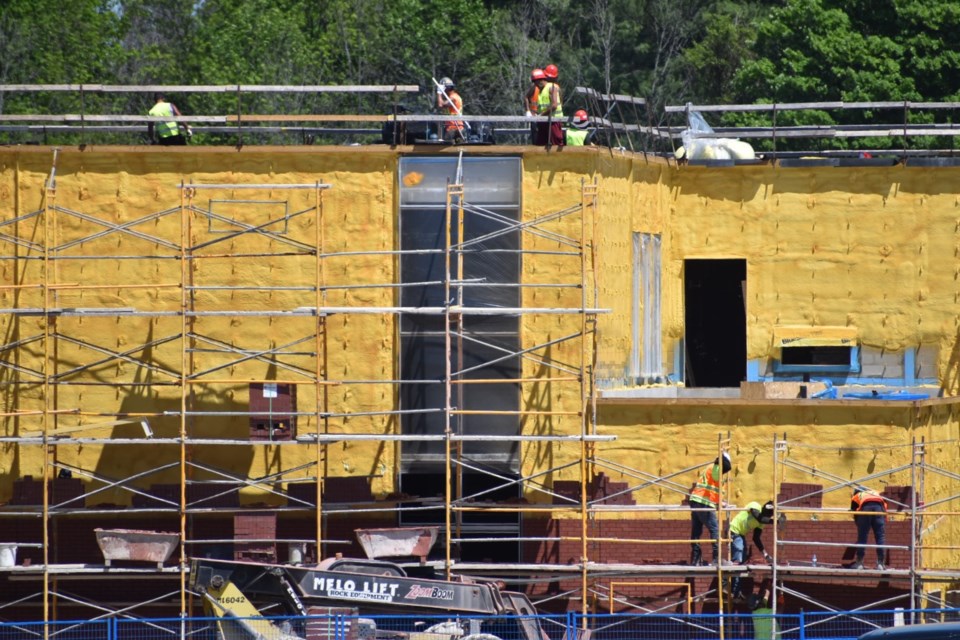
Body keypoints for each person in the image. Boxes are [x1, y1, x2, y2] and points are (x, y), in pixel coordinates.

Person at [688, 451, 732, 566]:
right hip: (704, 503)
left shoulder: (710, 467)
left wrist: (719, 502)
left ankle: (696, 559)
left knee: (696, 532)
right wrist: (720, 502)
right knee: (715, 530)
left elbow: (712, 489)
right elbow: (715, 484)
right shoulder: (716, 468)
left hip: (695, 501)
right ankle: (716, 559)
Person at [730, 500, 774, 600]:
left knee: (742, 563)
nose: (768, 517)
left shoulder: (762, 522)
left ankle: (736, 591)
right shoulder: (755, 506)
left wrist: (765, 554)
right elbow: (759, 517)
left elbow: (756, 538)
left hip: (740, 535)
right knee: (738, 561)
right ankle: (732, 591)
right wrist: (775, 521)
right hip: (733, 530)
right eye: (768, 514)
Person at [851, 486, 887, 570]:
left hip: (865, 508)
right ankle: (880, 564)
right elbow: (884, 508)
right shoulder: (876, 493)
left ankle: (859, 563)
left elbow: (854, 511)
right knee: (880, 537)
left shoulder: (857, 495)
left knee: (862, 537)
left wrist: (859, 525)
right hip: (879, 509)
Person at [534, 63, 564, 146]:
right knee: (542, 144)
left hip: (553, 120)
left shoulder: (551, 87)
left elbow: (554, 105)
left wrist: (541, 115)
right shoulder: (543, 89)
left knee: (556, 144)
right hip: (546, 120)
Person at [435, 77, 465, 142]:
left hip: (455, 127)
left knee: (448, 147)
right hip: (452, 127)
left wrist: (439, 92)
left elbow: (440, 105)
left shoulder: (453, 97)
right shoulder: (452, 97)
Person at [525, 68, 545, 143]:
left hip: (543, 115)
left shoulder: (546, 88)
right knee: (535, 137)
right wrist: (527, 111)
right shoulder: (534, 88)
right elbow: (526, 97)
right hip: (534, 115)